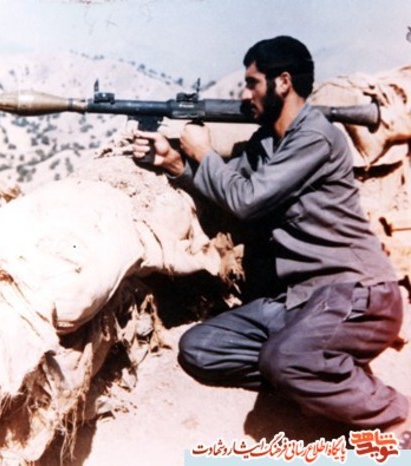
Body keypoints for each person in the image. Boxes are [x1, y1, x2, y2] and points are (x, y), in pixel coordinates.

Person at [132, 35, 410, 443]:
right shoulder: (265, 144)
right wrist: (176, 163)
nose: (245, 95)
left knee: (285, 359)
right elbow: (228, 189)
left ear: (283, 82)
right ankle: (322, 374)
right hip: (299, 300)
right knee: (201, 348)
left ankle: (396, 415)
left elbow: (247, 200)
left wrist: (203, 153)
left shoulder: (316, 137)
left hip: (355, 293)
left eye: (252, 83)